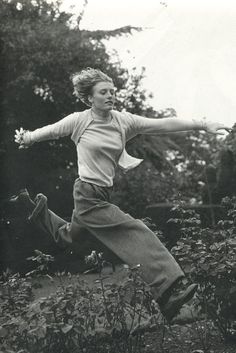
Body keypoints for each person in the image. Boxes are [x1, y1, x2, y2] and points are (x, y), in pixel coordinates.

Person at [12, 68, 231, 322]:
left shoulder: (123, 121)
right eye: (103, 92)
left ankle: (34, 210)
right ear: (89, 98)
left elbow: (161, 125)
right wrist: (27, 137)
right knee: (135, 230)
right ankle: (170, 290)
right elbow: (51, 130)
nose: (110, 96)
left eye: (113, 92)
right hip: (87, 195)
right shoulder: (79, 121)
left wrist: (203, 125)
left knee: (71, 236)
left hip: (102, 194)